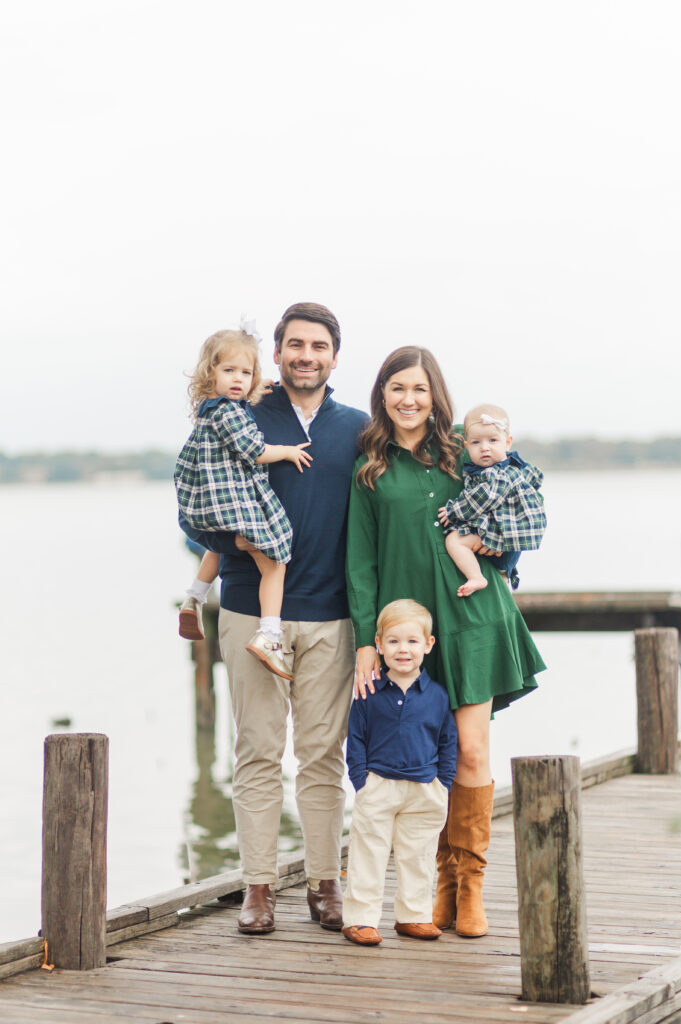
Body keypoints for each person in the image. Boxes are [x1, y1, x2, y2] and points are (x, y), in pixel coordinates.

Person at [179, 302, 367, 935]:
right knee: (257, 751)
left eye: (318, 346)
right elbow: (194, 503)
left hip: (332, 617)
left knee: (322, 756)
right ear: (278, 353)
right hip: (247, 609)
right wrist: (232, 544)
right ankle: (256, 887)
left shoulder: (357, 428)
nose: (306, 356)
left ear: (334, 357)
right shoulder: (240, 414)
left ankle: (324, 883)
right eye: (295, 345)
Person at [346, 347, 546, 939]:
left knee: (473, 751)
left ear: (436, 396)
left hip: (474, 615)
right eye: (397, 388)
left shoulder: (465, 448)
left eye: (420, 389)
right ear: (382, 395)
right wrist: (366, 641)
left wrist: (499, 548)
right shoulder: (369, 468)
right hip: (410, 631)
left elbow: (525, 493)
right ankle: (439, 883)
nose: (409, 399)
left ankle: (469, 884)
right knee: (421, 755)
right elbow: (359, 562)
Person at [174, 321, 312, 679]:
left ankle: (195, 596)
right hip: (233, 500)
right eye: (229, 371)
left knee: (219, 546)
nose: (238, 379)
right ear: (211, 373)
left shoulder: (211, 408)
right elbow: (254, 449)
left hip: (214, 504)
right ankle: (269, 634)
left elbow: (239, 402)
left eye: (246, 373)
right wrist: (286, 451)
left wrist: (254, 388)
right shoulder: (231, 413)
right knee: (275, 562)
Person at [342, 599, 458, 947]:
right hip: (378, 785)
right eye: (393, 641)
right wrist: (362, 782)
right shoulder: (368, 691)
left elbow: (447, 741)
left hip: (425, 788)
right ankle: (361, 919)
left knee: (419, 856)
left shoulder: (437, 695)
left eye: (411, 641)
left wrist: (442, 783)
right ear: (378, 644)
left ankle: (414, 915)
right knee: (368, 854)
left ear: (428, 644)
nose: (403, 649)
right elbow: (356, 738)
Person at [437, 403, 546, 596]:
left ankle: (476, 577)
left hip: (504, 533)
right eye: (476, 443)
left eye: (493, 440)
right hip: (509, 537)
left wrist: (453, 511)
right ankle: (502, 580)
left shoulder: (497, 474)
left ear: (507, 442)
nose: (484, 448)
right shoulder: (515, 468)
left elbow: (483, 498)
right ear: (466, 446)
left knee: (454, 541)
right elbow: (535, 478)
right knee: (501, 581)